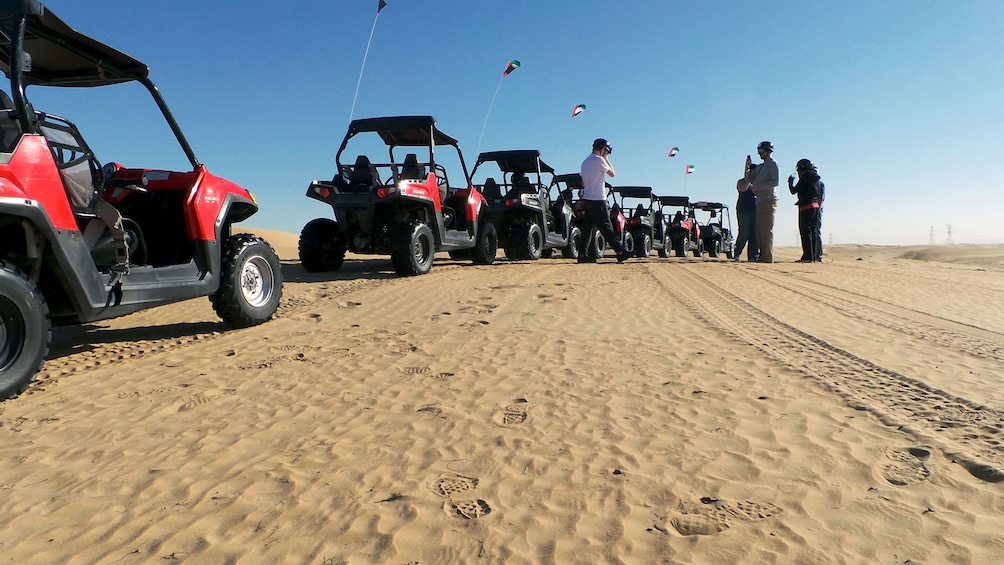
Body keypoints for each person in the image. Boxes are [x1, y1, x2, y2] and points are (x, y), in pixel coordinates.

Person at [577, 138, 631, 263]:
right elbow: (612, 174)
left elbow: (583, 182)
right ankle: (621, 252)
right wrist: (606, 159)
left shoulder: (585, 162)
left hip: (587, 198)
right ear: (603, 150)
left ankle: (582, 255)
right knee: (606, 227)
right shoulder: (599, 160)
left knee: (588, 228)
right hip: (598, 198)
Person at [744, 141, 779, 263]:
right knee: (759, 230)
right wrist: (747, 168)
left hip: (768, 200)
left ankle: (767, 257)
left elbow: (775, 182)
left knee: (766, 230)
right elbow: (748, 179)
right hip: (759, 200)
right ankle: (762, 256)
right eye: (758, 151)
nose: (759, 153)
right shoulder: (759, 167)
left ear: (768, 151)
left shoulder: (773, 165)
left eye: (761, 151)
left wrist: (759, 187)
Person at [788, 158, 824, 262]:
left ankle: (807, 256)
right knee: (813, 232)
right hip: (816, 207)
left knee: (805, 232)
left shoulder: (805, 177)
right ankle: (814, 257)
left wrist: (790, 182)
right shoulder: (816, 179)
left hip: (805, 207)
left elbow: (793, 191)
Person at [733, 177, 758, 261]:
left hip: (754, 210)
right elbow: (742, 189)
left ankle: (753, 256)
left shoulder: (757, 182)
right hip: (743, 210)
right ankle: (737, 253)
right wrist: (748, 179)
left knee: (754, 233)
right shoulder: (741, 182)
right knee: (744, 232)